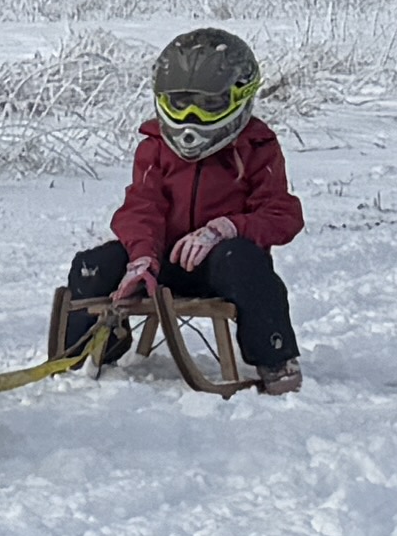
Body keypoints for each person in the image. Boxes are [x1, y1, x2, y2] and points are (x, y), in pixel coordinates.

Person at [49, 23, 304, 392]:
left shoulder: (257, 146)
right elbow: (143, 207)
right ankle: (89, 350)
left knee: (245, 262)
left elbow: (281, 214)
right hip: (159, 261)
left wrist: (226, 228)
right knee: (92, 266)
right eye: (181, 104)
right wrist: (141, 256)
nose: (192, 117)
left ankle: (275, 357)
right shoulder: (155, 145)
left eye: (208, 104)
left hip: (220, 265)